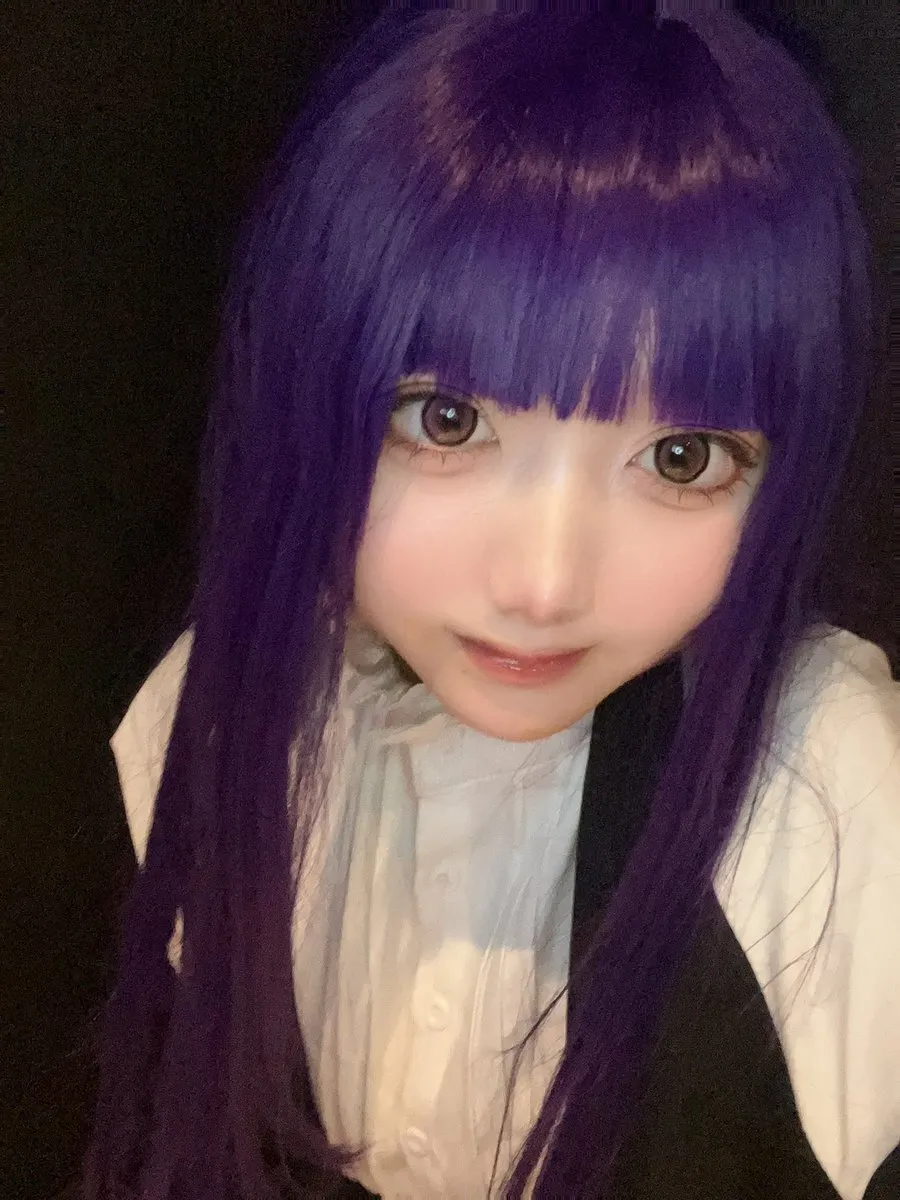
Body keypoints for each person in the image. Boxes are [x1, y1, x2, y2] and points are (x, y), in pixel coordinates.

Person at [83, 7, 899, 1199]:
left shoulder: (827, 798)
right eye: (448, 420)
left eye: (681, 459)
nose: (544, 585)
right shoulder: (219, 719)